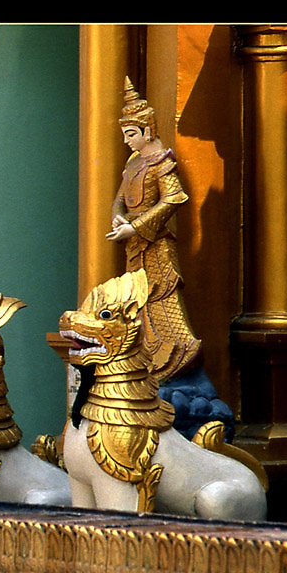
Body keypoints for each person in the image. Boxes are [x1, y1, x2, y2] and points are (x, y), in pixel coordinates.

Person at [105, 76, 201, 382]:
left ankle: (174, 353)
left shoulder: (162, 162)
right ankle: (141, 353)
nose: (127, 140)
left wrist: (136, 228)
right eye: (125, 134)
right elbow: (119, 198)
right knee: (134, 298)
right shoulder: (134, 162)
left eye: (132, 133)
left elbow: (174, 197)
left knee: (159, 296)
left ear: (148, 131)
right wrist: (119, 218)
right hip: (133, 241)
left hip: (155, 242)